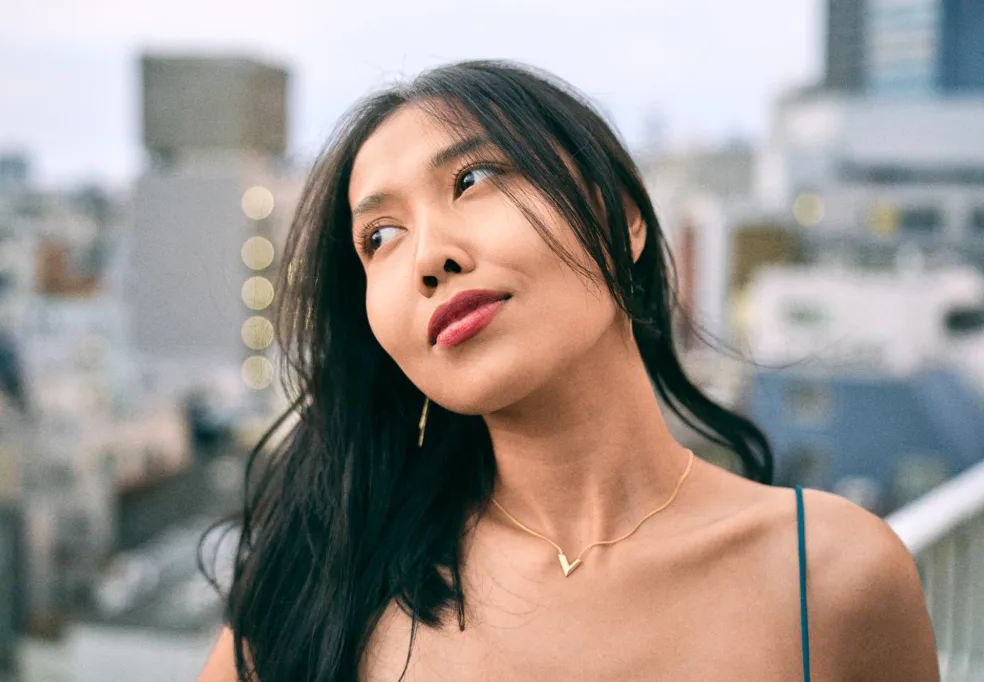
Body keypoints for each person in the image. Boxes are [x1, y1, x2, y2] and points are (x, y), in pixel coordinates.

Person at [198, 61, 939, 682]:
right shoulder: (324, 589)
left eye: (472, 179)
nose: (428, 257)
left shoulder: (835, 578)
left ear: (623, 217)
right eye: (380, 236)